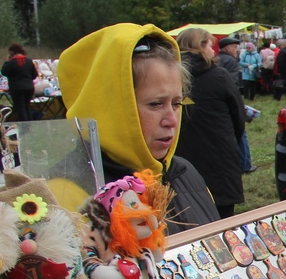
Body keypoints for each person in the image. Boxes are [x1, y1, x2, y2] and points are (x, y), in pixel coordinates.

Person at [59, 23, 220, 233]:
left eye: (176, 104)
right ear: (113, 109)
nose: (171, 120)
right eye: (155, 104)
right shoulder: (69, 194)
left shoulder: (186, 174)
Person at [174, 28, 245, 219]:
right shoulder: (220, 77)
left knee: (187, 220)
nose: (213, 50)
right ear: (202, 46)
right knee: (222, 223)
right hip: (219, 159)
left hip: (181, 159)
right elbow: (239, 117)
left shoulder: (170, 77)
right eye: (210, 44)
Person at [216, 37, 253, 175]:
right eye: (234, 47)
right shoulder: (231, 61)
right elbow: (232, 84)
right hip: (229, 101)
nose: (236, 50)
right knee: (241, 133)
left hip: (218, 104)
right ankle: (245, 165)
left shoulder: (215, 59)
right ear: (227, 48)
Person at [0, 43, 39, 121]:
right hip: (29, 87)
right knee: (27, 107)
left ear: (12, 52)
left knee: (20, 108)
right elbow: (35, 75)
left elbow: (3, 72)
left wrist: (7, 61)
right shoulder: (29, 61)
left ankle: (25, 127)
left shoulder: (11, 62)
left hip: (17, 88)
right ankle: (30, 125)